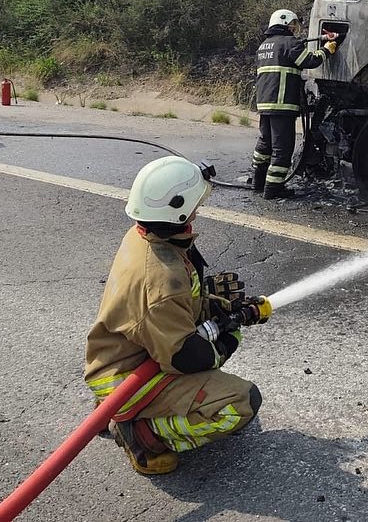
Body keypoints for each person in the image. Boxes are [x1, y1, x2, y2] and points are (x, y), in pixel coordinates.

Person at [84, 156, 264, 475]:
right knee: (242, 403)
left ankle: (126, 413)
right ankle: (143, 434)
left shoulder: (146, 236)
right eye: (196, 202)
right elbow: (186, 357)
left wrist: (211, 303)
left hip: (127, 358)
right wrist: (231, 333)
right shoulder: (163, 278)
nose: (200, 208)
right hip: (128, 381)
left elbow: (165, 310)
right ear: (178, 209)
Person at [252, 9, 338, 199]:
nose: (294, 28)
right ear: (284, 24)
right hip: (282, 105)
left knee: (264, 144)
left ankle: (257, 182)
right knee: (282, 149)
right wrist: (327, 49)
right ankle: (273, 189)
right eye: (292, 25)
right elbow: (310, 60)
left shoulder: (264, 46)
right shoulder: (290, 43)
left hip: (265, 104)